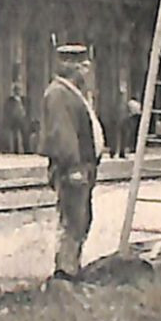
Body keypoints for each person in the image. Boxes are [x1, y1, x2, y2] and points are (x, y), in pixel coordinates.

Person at [41, 44, 104, 281]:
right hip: (73, 169)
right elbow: (63, 135)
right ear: (71, 67)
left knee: (81, 217)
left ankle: (71, 267)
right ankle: (65, 273)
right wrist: (74, 167)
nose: (87, 72)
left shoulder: (71, 92)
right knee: (73, 219)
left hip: (82, 167)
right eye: (83, 66)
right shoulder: (58, 94)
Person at [2, 84, 29, 154]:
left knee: (25, 134)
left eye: (19, 90)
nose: (18, 92)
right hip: (14, 119)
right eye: (17, 90)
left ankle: (26, 149)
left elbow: (27, 109)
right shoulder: (10, 100)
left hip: (23, 118)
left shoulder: (24, 100)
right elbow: (7, 109)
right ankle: (15, 150)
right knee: (15, 135)